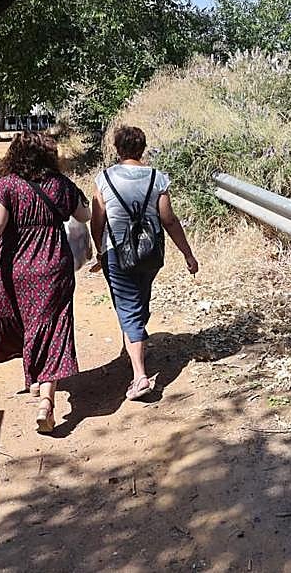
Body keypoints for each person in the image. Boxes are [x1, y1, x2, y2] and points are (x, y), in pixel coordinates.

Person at [0, 132, 91, 433]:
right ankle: (46, 398)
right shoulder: (60, 185)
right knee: (53, 326)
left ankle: (38, 385)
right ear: (49, 157)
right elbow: (83, 214)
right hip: (54, 266)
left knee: (28, 323)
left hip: (16, 268)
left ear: (15, 155)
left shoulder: (6, 186)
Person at [91, 125, 198, 401]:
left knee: (127, 307)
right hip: (150, 254)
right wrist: (187, 253)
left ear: (117, 149)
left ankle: (139, 376)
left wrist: (99, 250)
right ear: (142, 148)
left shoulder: (104, 179)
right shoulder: (157, 178)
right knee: (139, 299)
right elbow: (169, 220)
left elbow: (97, 221)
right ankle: (137, 336)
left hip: (116, 252)